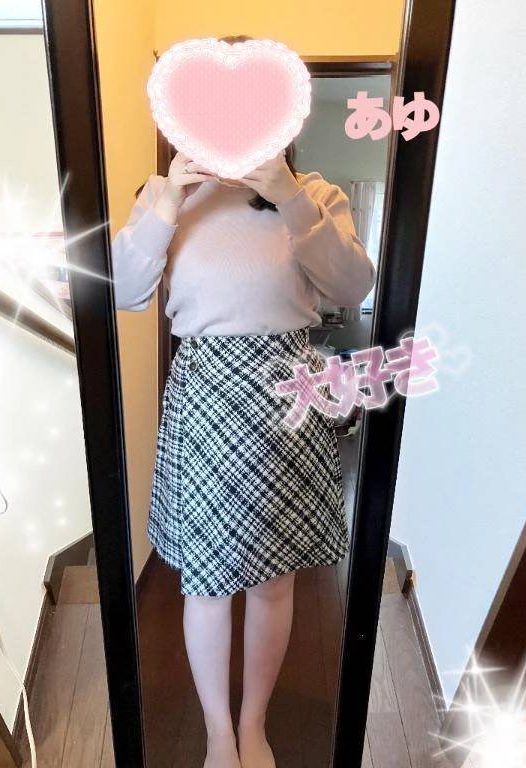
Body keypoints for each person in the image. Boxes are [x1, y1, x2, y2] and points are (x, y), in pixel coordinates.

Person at [111, 36, 376, 768]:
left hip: (286, 395)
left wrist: (288, 196)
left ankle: (253, 723)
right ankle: (217, 734)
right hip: (204, 393)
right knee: (205, 581)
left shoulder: (314, 193)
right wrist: (168, 199)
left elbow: (353, 288)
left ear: (283, 114)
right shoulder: (163, 198)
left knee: (272, 582)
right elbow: (125, 292)